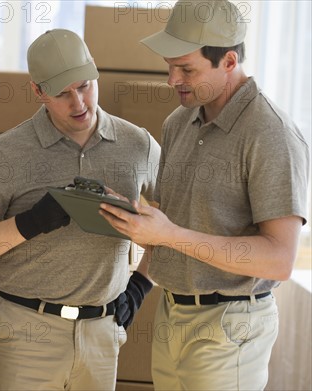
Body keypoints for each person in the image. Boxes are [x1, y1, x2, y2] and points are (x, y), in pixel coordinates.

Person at [99, 1, 310, 390]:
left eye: (186, 70)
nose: (171, 80)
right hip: (172, 315)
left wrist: (168, 235)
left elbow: (280, 259)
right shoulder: (178, 123)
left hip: (230, 325)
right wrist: (139, 283)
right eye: (170, 66)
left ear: (229, 61)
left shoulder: (270, 134)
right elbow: (172, 224)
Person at [0, 29, 160, 390]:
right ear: (38, 91)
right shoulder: (9, 152)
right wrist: (30, 223)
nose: (79, 103)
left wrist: (141, 284)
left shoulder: (137, 144)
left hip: (101, 334)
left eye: (84, 86)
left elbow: (176, 218)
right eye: (63, 93)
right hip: (26, 332)